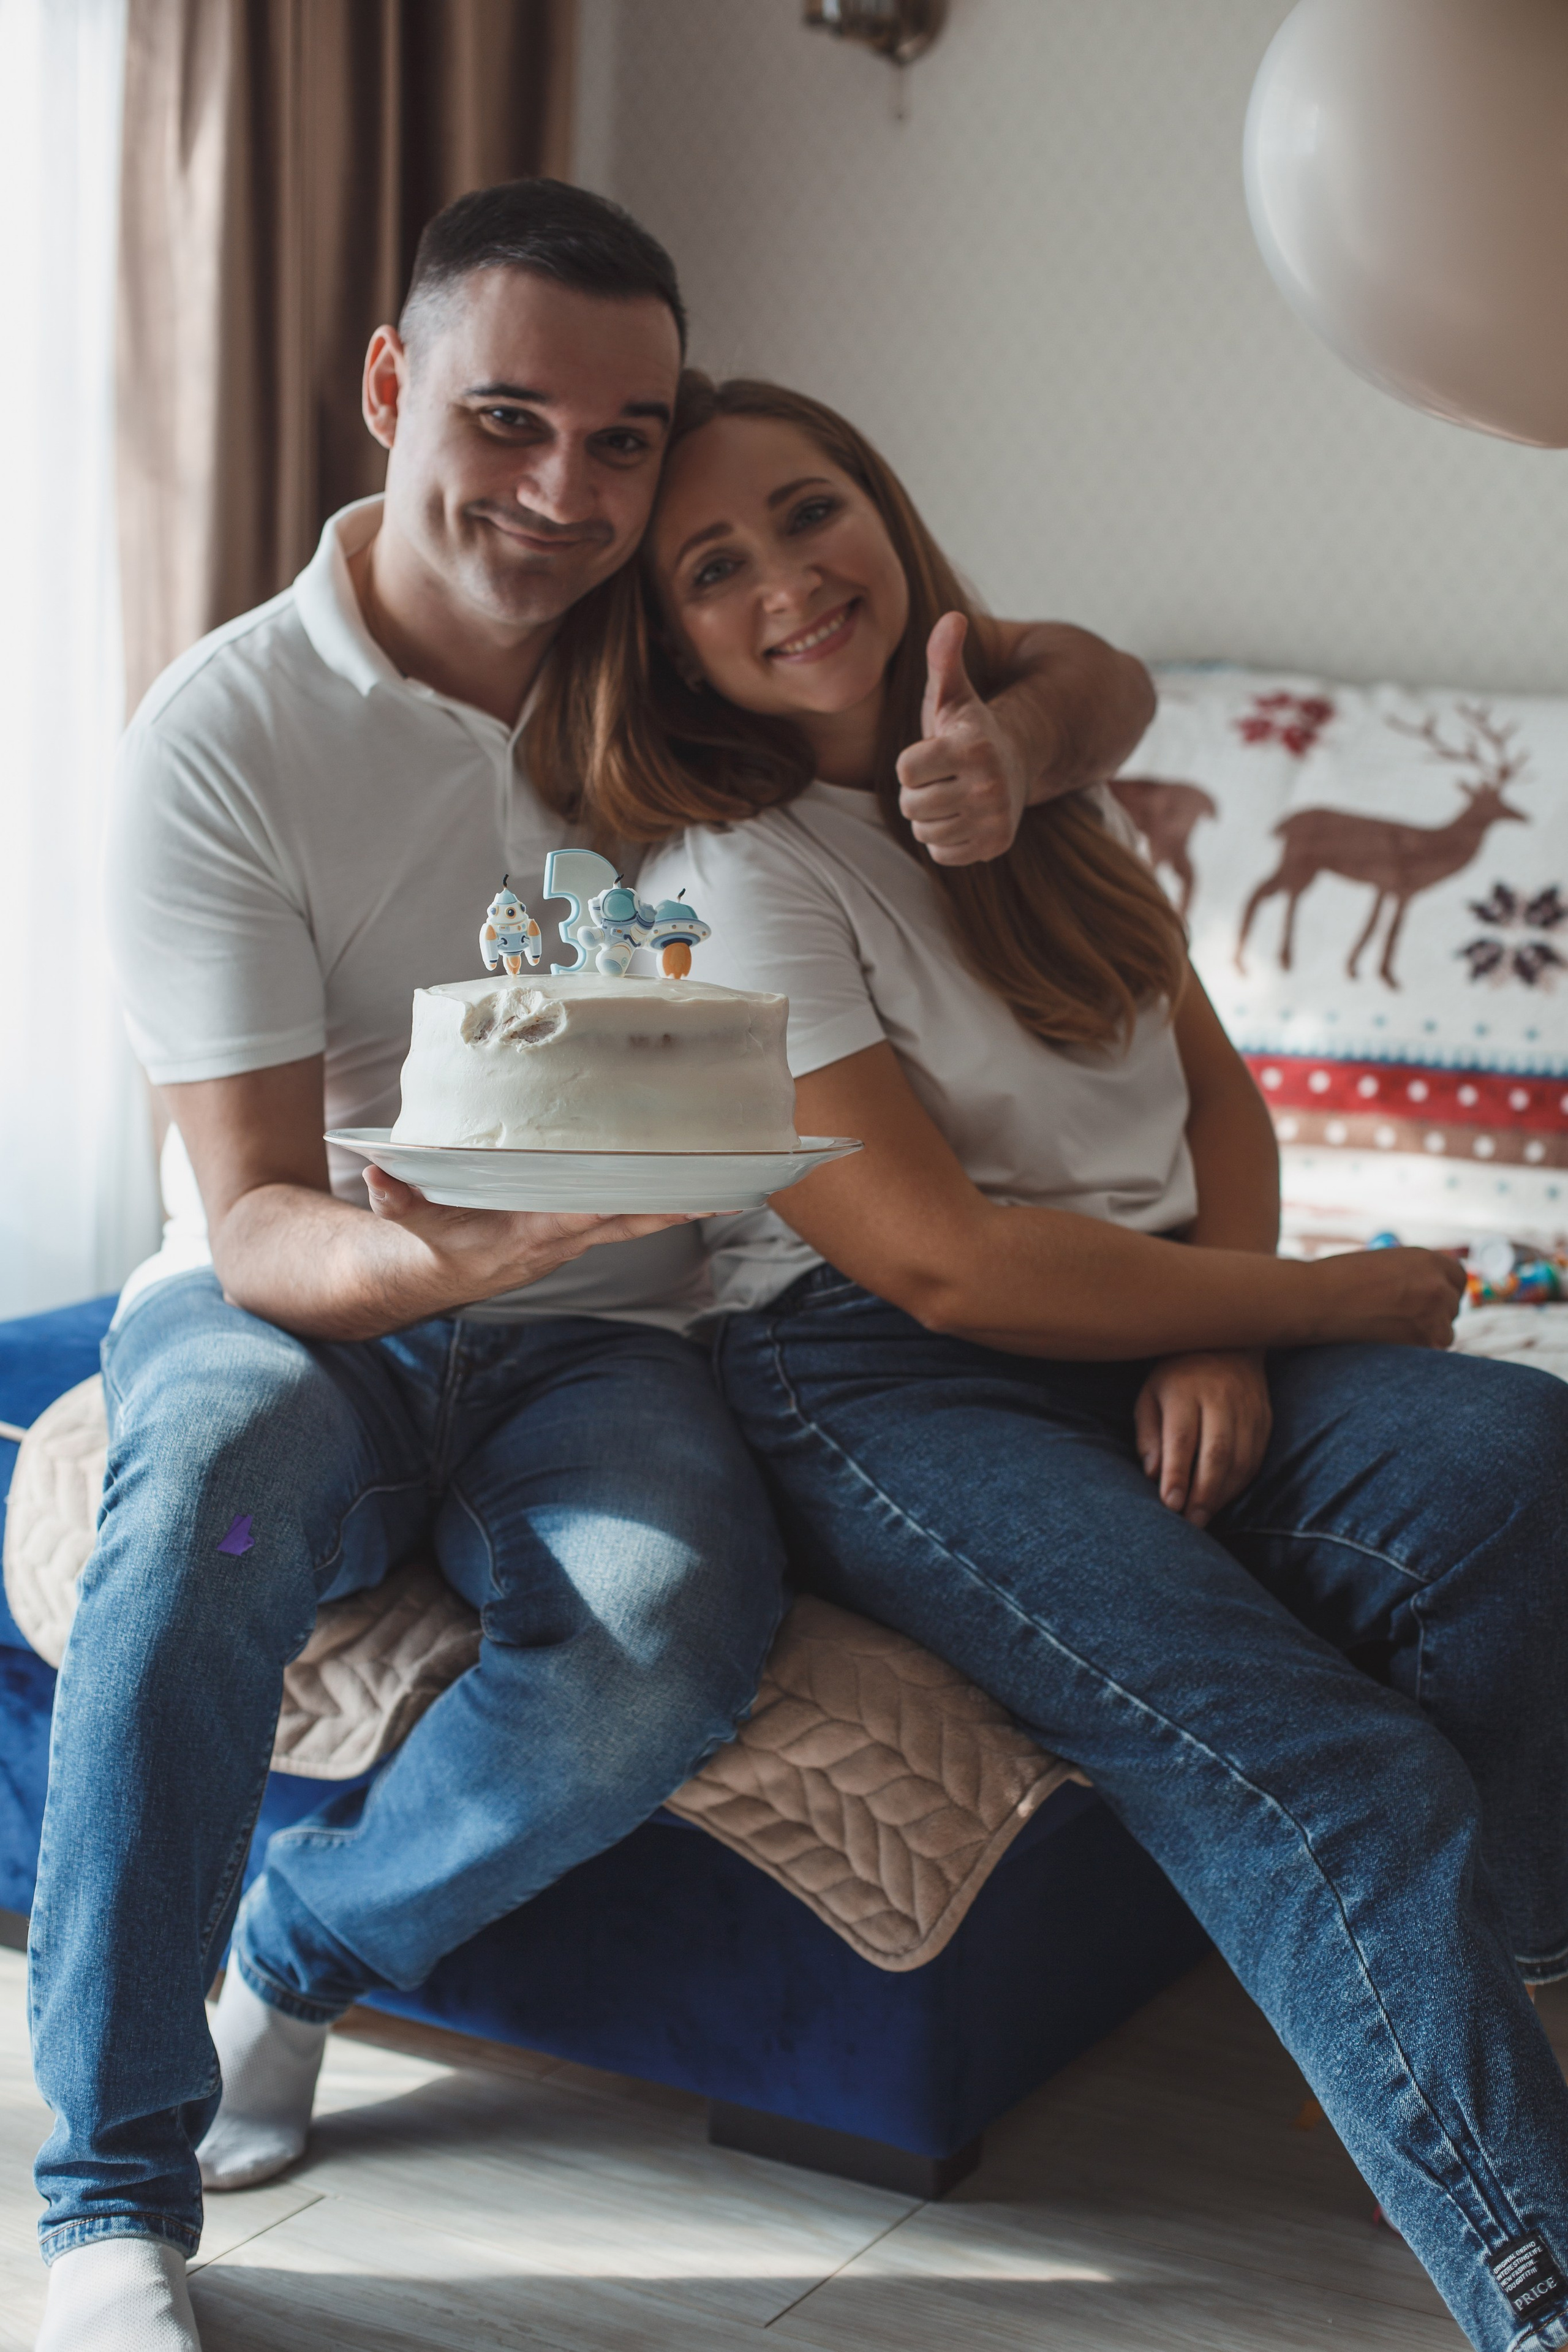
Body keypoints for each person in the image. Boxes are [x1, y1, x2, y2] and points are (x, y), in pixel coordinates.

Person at [37, 185, 1154, 2352]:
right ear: (392, 388)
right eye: (509, 419)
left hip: (606, 1336)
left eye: (625, 441)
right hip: (299, 1315)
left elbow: (1075, 671)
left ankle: (307, 1946)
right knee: (191, 1527)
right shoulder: (224, 737)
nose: (566, 496)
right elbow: (257, 1206)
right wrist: (448, 1250)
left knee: (660, 1635)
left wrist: (1026, 739)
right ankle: (106, 2201)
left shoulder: (676, 660)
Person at [542, 370, 1568, 2352]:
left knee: (1513, 1457)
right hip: (882, 1382)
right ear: (663, 639)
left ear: (891, 516)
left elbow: (1223, 1100)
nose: (787, 582)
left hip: (1137, 1305)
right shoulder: (737, 873)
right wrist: (1318, 1303)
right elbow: (934, 1262)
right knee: (1329, 1772)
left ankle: (1484, 2012)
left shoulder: (1028, 772)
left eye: (814, 513)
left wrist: (1224, 1303)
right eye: (712, 570)